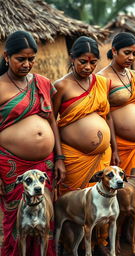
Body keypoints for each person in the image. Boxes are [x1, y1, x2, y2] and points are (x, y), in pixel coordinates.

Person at [0, 31, 65, 256]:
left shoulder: (43, 83)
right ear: (7, 56)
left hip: (44, 164)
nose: (27, 64)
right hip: (11, 164)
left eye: (31, 59)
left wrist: (59, 157)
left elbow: (52, 122)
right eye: (21, 59)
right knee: (16, 218)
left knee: (44, 216)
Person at [52, 36, 116, 255]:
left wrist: (114, 148)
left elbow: (107, 117)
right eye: (82, 62)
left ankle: (100, 244)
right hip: (72, 157)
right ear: (72, 59)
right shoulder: (61, 85)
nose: (88, 67)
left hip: (102, 156)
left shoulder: (102, 82)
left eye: (93, 62)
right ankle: (71, 247)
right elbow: (52, 121)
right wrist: (58, 158)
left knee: (103, 199)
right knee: (71, 202)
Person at [98, 32, 135, 175]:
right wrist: (113, 148)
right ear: (114, 51)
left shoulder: (134, 75)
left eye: (134, 53)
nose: (131, 58)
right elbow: (105, 115)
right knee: (120, 188)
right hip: (119, 145)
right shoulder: (102, 78)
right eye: (127, 53)